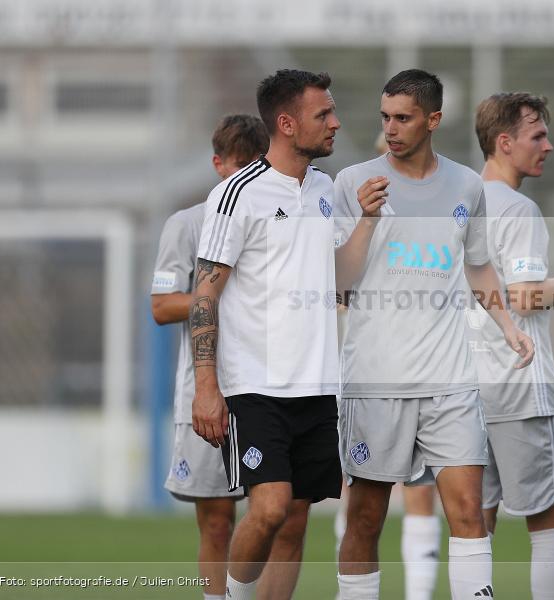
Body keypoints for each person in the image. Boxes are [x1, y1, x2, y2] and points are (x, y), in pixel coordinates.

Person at [333, 69, 535, 600]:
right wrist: (367, 220)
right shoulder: (353, 181)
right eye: (385, 118)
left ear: (433, 120)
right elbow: (339, 279)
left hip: (450, 381)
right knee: (366, 518)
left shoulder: (468, 185)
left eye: (402, 118)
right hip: (376, 381)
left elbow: (479, 266)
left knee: (468, 510)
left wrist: (509, 327)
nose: (391, 128)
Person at [189, 69, 343, 600]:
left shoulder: (328, 190)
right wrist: (206, 388)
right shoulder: (237, 195)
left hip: (318, 385)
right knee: (271, 506)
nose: (335, 123)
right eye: (323, 114)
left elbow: (343, 279)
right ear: (286, 122)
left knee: (295, 521)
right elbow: (204, 295)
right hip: (255, 384)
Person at [154, 114, 310, 600]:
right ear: (217, 164)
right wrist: (221, 295)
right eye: (234, 167)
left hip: (274, 390)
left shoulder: (284, 216)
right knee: (218, 522)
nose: (243, 178)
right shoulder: (188, 224)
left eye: (253, 166)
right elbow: (162, 306)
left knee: (281, 518)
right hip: (208, 392)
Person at [468, 92, 554, 600]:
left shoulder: (457, 202)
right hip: (520, 387)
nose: (549, 145)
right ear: (504, 142)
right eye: (538, 136)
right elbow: (523, 299)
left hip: (463, 390)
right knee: (547, 520)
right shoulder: (518, 209)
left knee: (474, 525)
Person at [333, 130, 445, 600]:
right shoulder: (359, 204)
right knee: (362, 493)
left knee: (421, 490)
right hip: (368, 372)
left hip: (426, 367)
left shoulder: (437, 209)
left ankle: (418, 594)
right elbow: (339, 287)